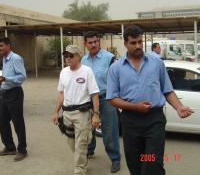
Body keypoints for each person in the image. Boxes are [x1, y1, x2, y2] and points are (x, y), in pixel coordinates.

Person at [106, 25, 194, 175]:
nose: (138, 46)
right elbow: (112, 99)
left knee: (152, 164)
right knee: (135, 163)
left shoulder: (156, 63)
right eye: (133, 43)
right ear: (125, 44)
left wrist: (178, 107)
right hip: (130, 121)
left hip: (154, 120)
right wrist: (135, 107)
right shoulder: (116, 68)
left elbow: (167, 90)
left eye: (140, 41)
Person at [52, 45, 100, 175]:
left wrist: (96, 115)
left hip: (82, 113)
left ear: (78, 56)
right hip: (67, 113)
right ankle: (82, 160)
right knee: (72, 143)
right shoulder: (64, 72)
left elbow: (94, 94)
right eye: (66, 56)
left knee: (80, 144)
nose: (68, 58)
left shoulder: (87, 71)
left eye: (71, 55)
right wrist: (56, 112)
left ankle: (79, 170)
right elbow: (61, 94)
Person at [81, 31, 121, 173]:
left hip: (106, 99)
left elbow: (118, 78)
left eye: (95, 41)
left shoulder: (109, 58)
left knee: (110, 131)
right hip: (88, 100)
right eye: (90, 42)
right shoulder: (83, 60)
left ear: (99, 42)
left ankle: (115, 159)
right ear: (85, 44)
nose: (93, 44)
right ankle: (89, 150)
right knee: (88, 129)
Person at [0, 37, 27, 162]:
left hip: (15, 93)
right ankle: (10, 147)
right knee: (3, 122)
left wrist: (6, 79)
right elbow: (8, 75)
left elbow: (23, 76)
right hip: (5, 93)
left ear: (9, 46)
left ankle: (22, 150)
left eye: (1, 46)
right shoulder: (4, 59)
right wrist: (3, 79)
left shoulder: (16, 58)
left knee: (18, 122)